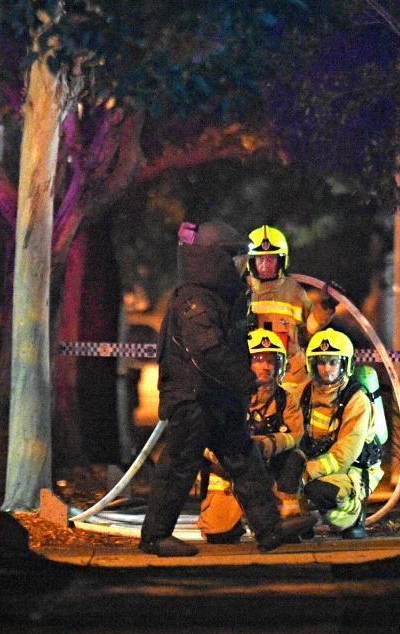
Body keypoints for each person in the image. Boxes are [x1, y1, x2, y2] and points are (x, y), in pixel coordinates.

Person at [139, 221, 317, 557]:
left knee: (245, 460)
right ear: (214, 259)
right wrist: (245, 381)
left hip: (217, 397)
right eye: (234, 258)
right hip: (193, 399)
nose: (241, 265)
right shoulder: (195, 301)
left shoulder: (219, 296)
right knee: (178, 466)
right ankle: (155, 537)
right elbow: (208, 352)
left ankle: (269, 529)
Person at [275, 328, 384, 540]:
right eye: (321, 362)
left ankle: (354, 513)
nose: (327, 369)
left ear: (346, 365)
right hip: (315, 463)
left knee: (319, 492)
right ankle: (300, 520)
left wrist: (306, 473)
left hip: (352, 469)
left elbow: (345, 454)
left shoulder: (356, 400)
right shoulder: (303, 392)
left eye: (333, 362)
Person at [197, 329, 305, 543]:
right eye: (258, 359)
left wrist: (265, 445)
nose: (265, 366)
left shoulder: (286, 400)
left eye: (271, 361)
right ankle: (235, 519)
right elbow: (204, 439)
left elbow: (295, 435)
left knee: (295, 458)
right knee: (218, 534)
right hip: (229, 474)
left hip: (269, 471)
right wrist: (230, 457)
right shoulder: (225, 397)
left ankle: (287, 517)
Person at [245, 225, 335, 396]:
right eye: (260, 259)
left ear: (281, 261)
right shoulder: (242, 290)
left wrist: (325, 307)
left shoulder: (293, 291)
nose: (265, 265)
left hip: (292, 378)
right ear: (251, 262)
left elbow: (309, 331)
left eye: (271, 259)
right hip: (254, 377)